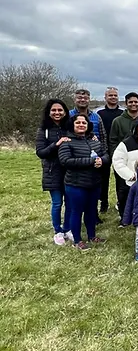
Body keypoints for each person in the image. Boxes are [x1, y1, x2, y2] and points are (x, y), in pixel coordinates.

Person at [58, 113, 109, 250]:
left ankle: (92, 236)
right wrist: (92, 161)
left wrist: (101, 160)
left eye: (84, 123)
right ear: (72, 125)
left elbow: (105, 154)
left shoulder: (94, 140)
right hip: (76, 184)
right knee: (76, 211)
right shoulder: (67, 141)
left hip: (94, 183)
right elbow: (66, 161)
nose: (81, 125)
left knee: (92, 210)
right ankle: (77, 240)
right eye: (78, 123)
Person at [36, 99, 72, 245]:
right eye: (54, 110)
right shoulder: (43, 130)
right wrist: (56, 145)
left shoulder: (69, 127)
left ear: (64, 112)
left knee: (70, 203)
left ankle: (68, 228)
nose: (57, 113)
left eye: (60, 110)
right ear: (49, 112)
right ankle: (58, 231)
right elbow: (40, 152)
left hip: (69, 171)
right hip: (52, 171)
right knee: (57, 203)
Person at [109, 92, 138, 222]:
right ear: (126, 103)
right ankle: (124, 216)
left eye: (135, 102)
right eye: (131, 102)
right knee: (123, 189)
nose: (133, 104)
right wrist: (115, 159)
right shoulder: (118, 121)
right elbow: (112, 141)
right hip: (123, 160)